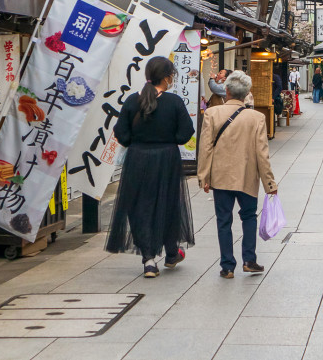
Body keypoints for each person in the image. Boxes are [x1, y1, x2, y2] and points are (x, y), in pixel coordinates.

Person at [105, 56, 195, 278]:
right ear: (166, 77)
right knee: (168, 203)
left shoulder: (132, 101)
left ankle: (148, 260)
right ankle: (172, 252)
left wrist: (137, 142)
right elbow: (186, 132)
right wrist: (168, 139)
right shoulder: (174, 102)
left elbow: (121, 133)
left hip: (137, 158)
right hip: (167, 159)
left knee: (139, 206)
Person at [197, 71, 279, 279]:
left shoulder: (212, 114)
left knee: (223, 219)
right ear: (247, 93)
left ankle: (227, 266)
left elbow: (205, 148)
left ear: (227, 91)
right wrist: (269, 182)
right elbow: (262, 153)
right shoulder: (257, 118)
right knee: (249, 217)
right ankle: (249, 260)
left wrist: (203, 176)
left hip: (221, 176)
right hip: (247, 175)